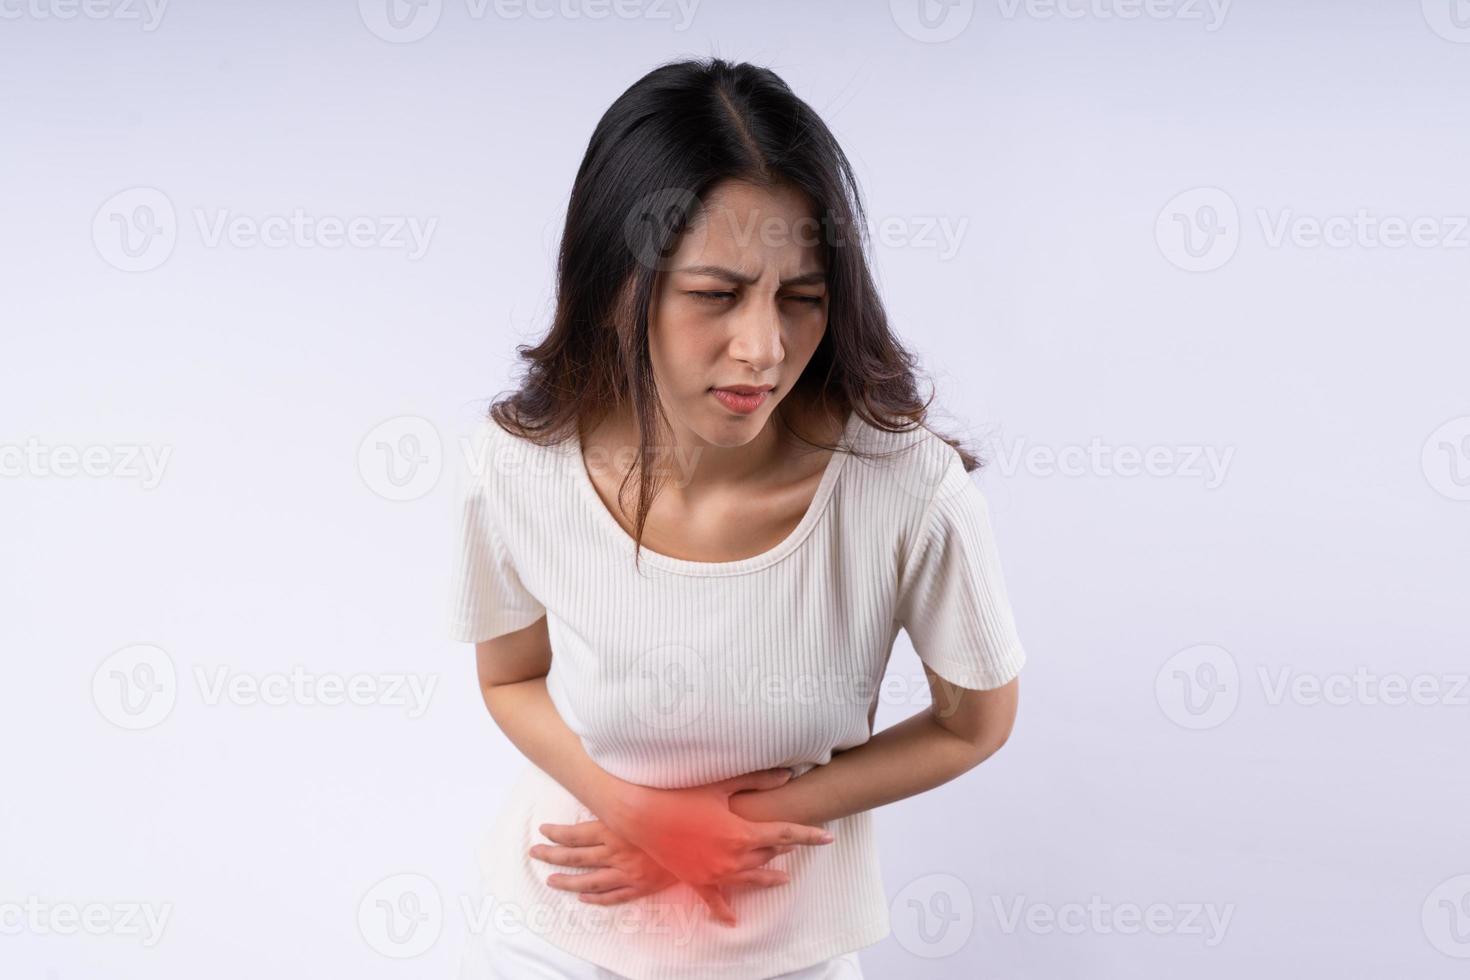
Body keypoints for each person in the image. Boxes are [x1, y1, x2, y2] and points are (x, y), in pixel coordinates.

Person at [449, 56, 1026, 980]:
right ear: (613, 289)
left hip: (788, 947)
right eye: (715, 296)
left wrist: (724, 829)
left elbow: (974, 722)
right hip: (559, 926)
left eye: (802, 299)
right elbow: (511, 678)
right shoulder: (518, 464)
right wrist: (639, 817)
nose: (764, 348)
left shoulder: (904, 489)